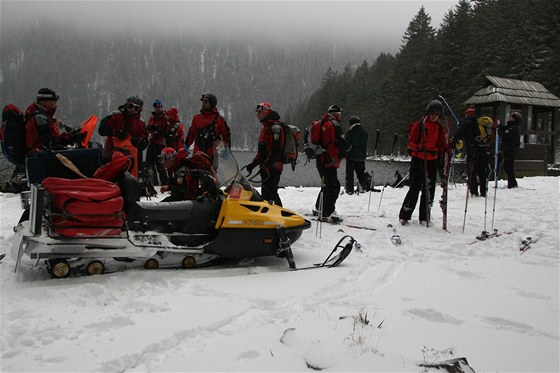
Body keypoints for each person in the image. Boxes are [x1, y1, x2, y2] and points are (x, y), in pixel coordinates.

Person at [398, 100, 448, 226]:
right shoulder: (419, 124)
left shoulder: (440, 128)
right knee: (414, 187)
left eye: (437, 114)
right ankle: (405, 215)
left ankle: (425, 216)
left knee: (429, 189)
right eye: (432, 113)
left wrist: (448, 148)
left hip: (432, 160)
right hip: (419, 159)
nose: (434, 116)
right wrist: (418, 147)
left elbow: (442, 145)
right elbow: (411, 142)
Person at [313, 104, 351, 222]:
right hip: (329, 159)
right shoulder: (333, 124)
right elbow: (340, 141)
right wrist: (348, 147)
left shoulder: (322, 122)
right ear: (336, 114)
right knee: (333, 186)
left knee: (327, 185)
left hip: (320, 157)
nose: (341, 117)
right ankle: (328, 212)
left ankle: (320, 208)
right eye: (340, 114)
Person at [244, 102, 285, 206]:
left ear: (266, 112)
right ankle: (270, 217)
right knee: (267, 194)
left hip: (273, 167)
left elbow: (276, 151)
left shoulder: (275, 128)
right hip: (266, 167)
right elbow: (262, 152)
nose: (258, 115)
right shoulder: (265, 129)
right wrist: (253, 165)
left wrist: (266, 165)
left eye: (260, 112)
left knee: (271, 193)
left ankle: (280, 216)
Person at [98, 95, 148, 178]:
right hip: (112, 154)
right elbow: (102, 129)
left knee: (130, 180)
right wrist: (116, 132)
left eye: (136, 108)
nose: (132, 110)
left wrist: (139, 141)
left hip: (132, 158)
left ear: (140, 110)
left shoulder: (141, 123)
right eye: (130, 106)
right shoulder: (116, 115)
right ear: (126, 105)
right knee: (110, 176)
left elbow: (145, 142)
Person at [25, 88, 85, 155]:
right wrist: (72, 139)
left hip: (43, 155)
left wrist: (72, 133)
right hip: (42, 158)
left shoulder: (44, 116)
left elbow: (55, 135)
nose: (56, 105)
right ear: (46, 102)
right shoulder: (40, 118)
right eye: (54, 102)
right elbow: (50, 144)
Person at [456, 107, 490, 197]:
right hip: (482, 150)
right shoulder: (479, 123)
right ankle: (483, 191)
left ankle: (474, 191)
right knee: (482, 172)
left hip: (472, 151)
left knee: (472, 171)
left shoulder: (466, 123)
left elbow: (459, 135)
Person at [184, 93, 230, 159]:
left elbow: (226, 134)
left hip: (212, 155)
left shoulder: (219, 120)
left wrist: (227, 148)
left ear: (212, 104)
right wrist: (186, 145)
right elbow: (192, 133)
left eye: (206, 102)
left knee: (213, 169)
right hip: (197, 154)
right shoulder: (196, 118)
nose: (203, 104)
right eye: (203, 102)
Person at [145, 99, 169, 185]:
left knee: (160, 166)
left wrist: (155, 132)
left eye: (159, 106)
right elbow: (148, 128)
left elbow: (165, 131)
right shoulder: (152, 118)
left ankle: (165, 183)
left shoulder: (165, 117)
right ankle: (153, 183)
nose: (157, 108)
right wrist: (150, 132)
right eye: (156, 107)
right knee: (149, 165)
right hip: (152, 143)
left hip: (160, 144)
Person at [344, 115, 369, 194]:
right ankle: (364, 187)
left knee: (350, 174)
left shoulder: (350, 132)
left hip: (351, 156)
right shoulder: (365, 132)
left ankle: (350, 189)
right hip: (361, 157)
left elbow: (347, 143)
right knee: (361, 172)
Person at [498, 111, 521, 188]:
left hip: (510, 149)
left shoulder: (514, 128)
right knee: (507, 167)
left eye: (512, 117)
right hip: (508, 149)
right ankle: (512, 183)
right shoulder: (511, 126)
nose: (510, 118)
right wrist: (500, 126)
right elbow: (505, 129)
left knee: (508, 167)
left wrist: (499, 130)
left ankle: (512, 183)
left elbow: (505, 134)